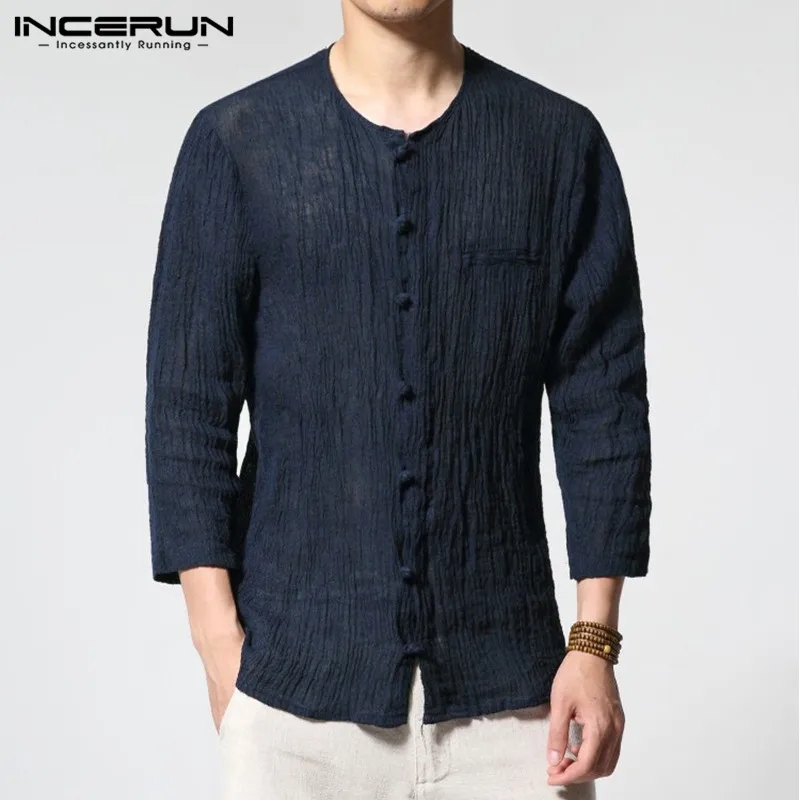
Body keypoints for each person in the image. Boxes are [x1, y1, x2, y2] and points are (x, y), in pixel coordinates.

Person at [144, 1, 652, 797]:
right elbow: (188, 403)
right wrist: (219, 646)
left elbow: (605, 406)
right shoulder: (237, 139)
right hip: (291, 699)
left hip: (519, 701)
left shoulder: (558, 143)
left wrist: (594, 645)